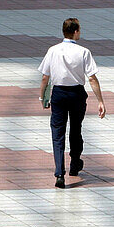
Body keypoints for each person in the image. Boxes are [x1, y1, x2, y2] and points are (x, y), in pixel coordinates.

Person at [38, 17, 106, 189]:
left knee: (57, 133)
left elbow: (45, 77)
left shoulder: (53, 50)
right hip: (77, 94)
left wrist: (42, 97)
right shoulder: (84, 52)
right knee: (76, 129)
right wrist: (100, 101)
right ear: (75, 31)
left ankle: (59, 173)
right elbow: (92, 78)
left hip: (59, 94)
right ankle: (75, 163)